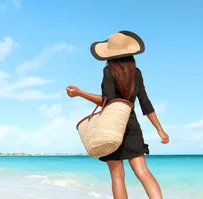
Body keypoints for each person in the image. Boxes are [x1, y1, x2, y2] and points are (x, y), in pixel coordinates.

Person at [65, 30, 169, 199]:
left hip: (112, 128)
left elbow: (107, 101)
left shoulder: (109, 71)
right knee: (143, 171)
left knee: (117, 177)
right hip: (132, 126)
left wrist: (79, 93)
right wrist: (160, 129)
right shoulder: (137, 72)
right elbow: (145, 103)